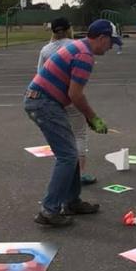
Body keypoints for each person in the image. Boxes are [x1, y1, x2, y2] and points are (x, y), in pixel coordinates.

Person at [23, 19, 122, 227]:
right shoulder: (84, 55)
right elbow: (75, 94)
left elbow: (72, 94)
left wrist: (89, 117)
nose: (111, 46)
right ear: (102, 38)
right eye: (111, 42)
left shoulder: (78, 47)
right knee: (67, 156)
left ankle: (71, 201)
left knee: (71, 154)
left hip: (43, 100)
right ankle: (49, 210)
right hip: (43, 102)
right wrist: (93, 118)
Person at [37, 17, 97, 186]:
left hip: (54, 98)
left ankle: (65, 172)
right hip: (72, 96)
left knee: (63, 137)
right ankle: (79, 173)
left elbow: (40, 73)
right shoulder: (75, 46)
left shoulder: (46, 50)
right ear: (69, 29)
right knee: (79, 134)